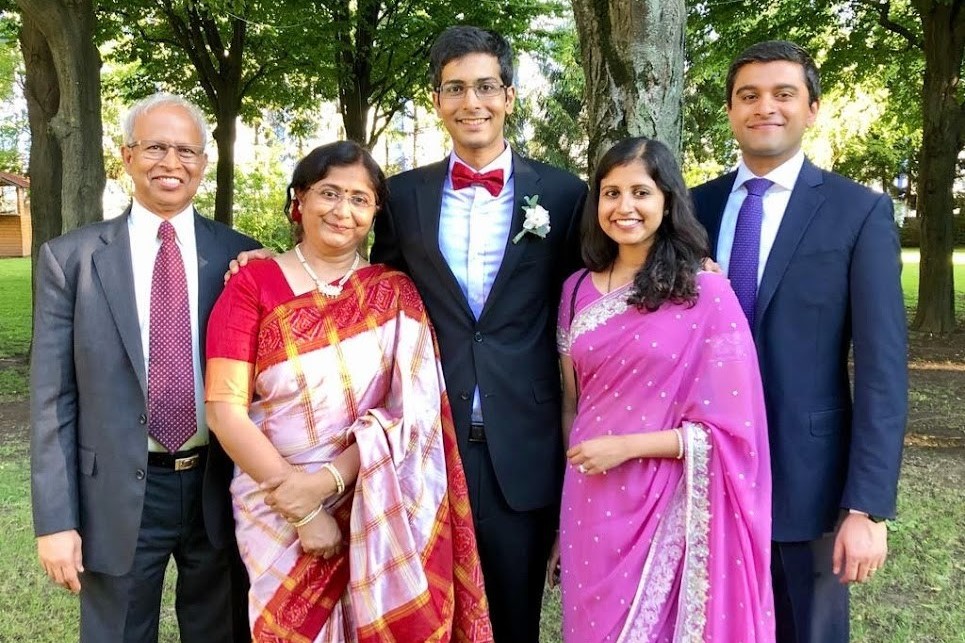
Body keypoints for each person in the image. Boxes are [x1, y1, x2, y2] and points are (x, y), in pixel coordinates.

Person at [204, 140, 492, 642]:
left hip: (377, 503)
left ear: (376, 212)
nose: (343, 211)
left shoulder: (395, 293)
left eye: (360, 199)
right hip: (274, 511)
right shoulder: (252, 284)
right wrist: (303, 508)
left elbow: (411, 413)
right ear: (300, 200)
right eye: (329, 193)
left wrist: (324, 486)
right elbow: (224, 410)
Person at [369, 25, 588, 642]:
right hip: (427, 438)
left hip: (524, 437)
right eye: (455, 88)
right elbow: (371, 289)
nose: (473, 102)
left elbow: (598, 289)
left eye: (486, 86)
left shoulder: (565, 195)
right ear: (437, 101)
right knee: (429, 614)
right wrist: (272, 266)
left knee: (515, 617)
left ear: (510, 96)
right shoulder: (403, 196)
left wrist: (685, 264)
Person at [690, 41, 907, 643]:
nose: (766, 107)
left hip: (809, 482)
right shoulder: (690, 207)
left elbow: (883, 369)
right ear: (731, 111)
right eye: (749, 96)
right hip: (704, 472)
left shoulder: (857, 212)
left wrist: (865, 508)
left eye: (784, 94)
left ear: (811, 108)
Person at [30, 93, 259, 643]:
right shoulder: (72, 260)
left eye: (186, 150)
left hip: (218, 486)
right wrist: (56, 522)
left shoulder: (241, 257)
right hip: (116, 491)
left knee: (223, 630)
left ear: (204, 163)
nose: (171, 163)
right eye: (155, 147)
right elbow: (51, 400)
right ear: (127, 157)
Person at [551, 137, 774, 642]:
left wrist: (628, 447)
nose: (624, 207)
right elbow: (573, 402)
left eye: (640, 192)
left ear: (667, 200)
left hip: (666, 493)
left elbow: (735, 432)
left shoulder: (705, 292)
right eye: (610, 193)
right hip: (589, 496)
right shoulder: (575, 290)